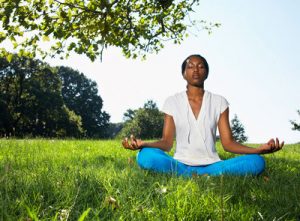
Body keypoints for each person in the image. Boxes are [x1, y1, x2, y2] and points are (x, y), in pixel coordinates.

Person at [122, 54, 284, 177]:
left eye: (200, 66)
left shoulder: (219, 102)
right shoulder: (172, 102)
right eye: (190, 66)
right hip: (179, 164)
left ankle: (197, 176)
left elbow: (228, 144)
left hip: (213, 165)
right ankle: (197, 176)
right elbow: (166, 143)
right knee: (145, 156)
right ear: (184, 73)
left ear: (207, 73)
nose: (196, 70)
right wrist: (144, 144)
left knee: (256, 162)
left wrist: (258, 150)